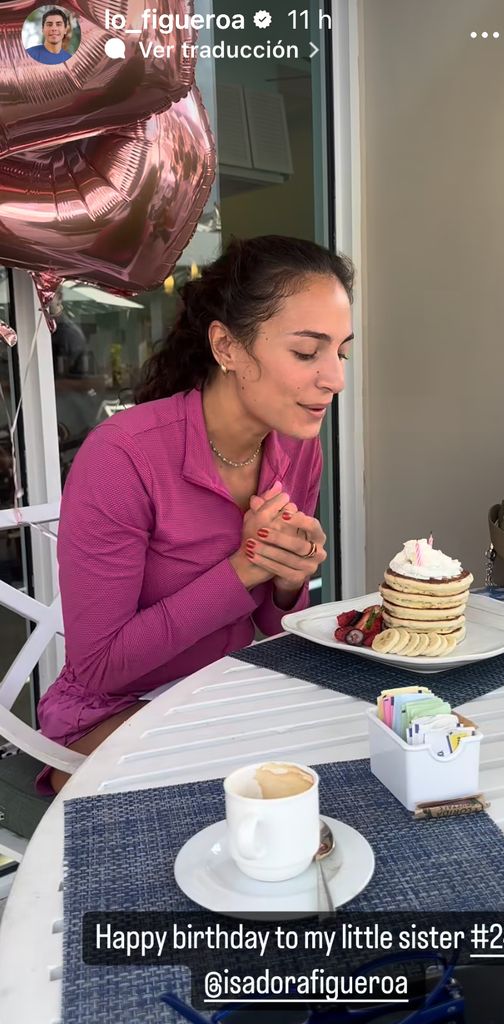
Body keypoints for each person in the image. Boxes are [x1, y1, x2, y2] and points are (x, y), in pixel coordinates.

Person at [37, 235, 355, 793]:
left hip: (221, 693)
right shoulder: (123, 456)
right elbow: (102, 667)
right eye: (308, 352)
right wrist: (245, 569)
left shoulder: (297, 447)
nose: (335, 378)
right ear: (228, 348)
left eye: (342, 351)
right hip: (112, 715)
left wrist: (289, 580)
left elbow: (272, 628)